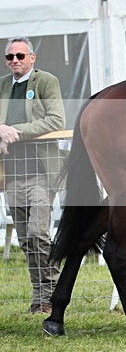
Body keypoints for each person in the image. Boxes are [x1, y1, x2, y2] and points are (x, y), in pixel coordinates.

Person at [0, 37, 65, 314]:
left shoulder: (46, 82)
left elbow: (56, 120)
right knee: (26, 239)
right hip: (11, 174)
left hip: (39, 171)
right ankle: (39, 296)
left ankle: (52, 292)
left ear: (32, 58)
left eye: (20, 55)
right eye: (10, 56)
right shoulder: (3, 85)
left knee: (38, 232)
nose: (15, 60)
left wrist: (15, 131)